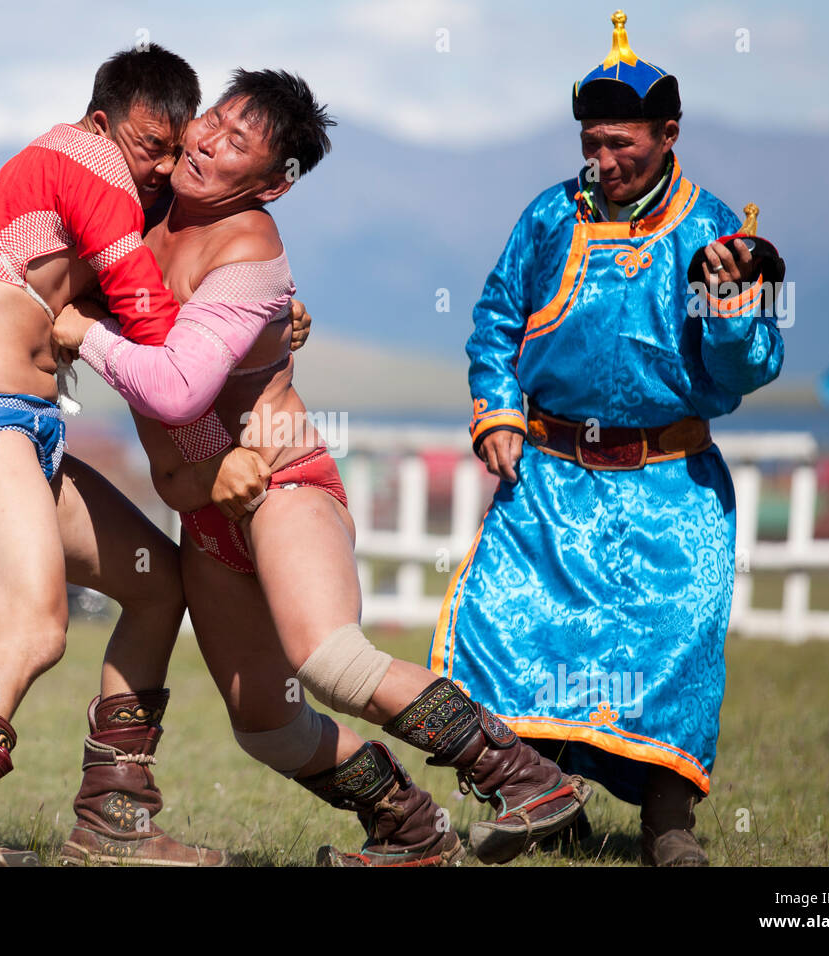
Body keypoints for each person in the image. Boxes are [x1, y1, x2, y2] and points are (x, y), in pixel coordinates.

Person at [56, 69, 592, 867]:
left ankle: (523, 777)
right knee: (267, 726)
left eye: (238, 143)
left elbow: (176, 386)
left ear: (272, 184)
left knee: (332, 661)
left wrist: (84, 329)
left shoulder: (248, 244)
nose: (206, 141)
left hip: (282, 485)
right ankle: (409, 827)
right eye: (212, 121)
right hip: (204, 517)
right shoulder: (144, 203)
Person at [0, 45, 309, 867]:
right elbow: (153, 326)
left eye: (173, 147)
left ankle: (114, 813)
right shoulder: (84, 166)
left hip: (29, 434)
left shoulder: (104, 191)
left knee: (157, 584)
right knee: (34, 629)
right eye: (150, 146)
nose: (165, 166)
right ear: (100, 124)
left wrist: (275, 317)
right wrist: (210, 455)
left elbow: (172, 298)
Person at [432, 11, 785, 865]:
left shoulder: (716, 235)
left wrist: (736, 314)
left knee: (670, 650)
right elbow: (494, 321)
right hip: (550, 479)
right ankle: (545, 802)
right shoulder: (549, 216)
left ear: (669, 134)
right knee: (510, 636)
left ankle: (669, 825)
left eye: (623, 143)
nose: (603, 160)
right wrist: (498, 410)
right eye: (592, 142)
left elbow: (754, 368)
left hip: (672, 485)